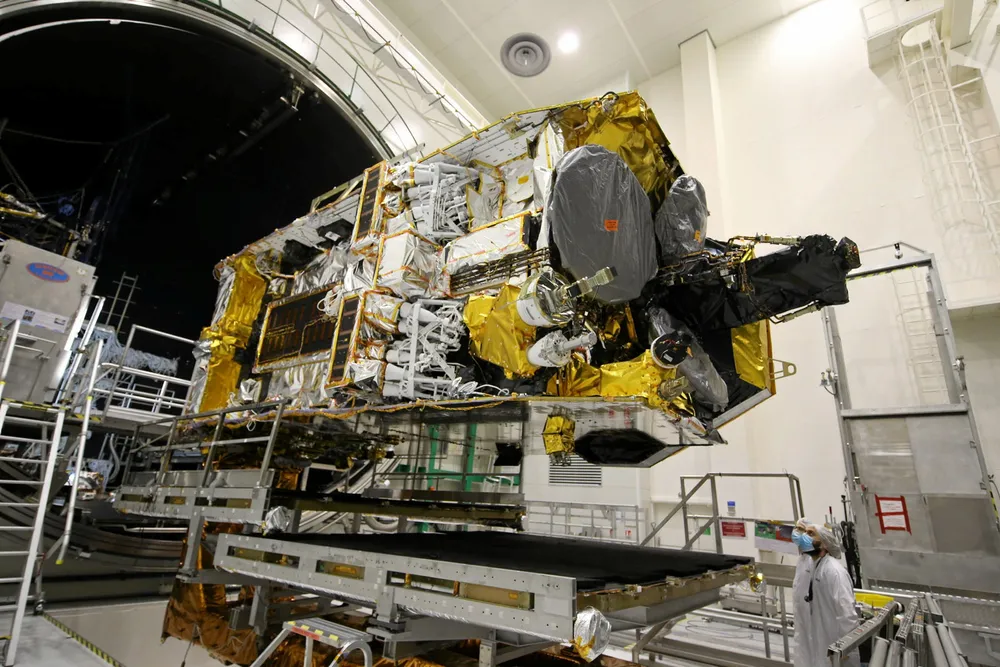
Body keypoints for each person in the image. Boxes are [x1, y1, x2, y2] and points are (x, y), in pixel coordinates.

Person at [791, 519, 860, 667]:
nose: (804, 537)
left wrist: (846, 648)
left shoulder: (834, 571)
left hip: (836, 645)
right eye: (804, 533)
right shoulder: (814, 566)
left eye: (811, 534)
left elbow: (847, 614)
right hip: (819, 640)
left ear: (824, 544)